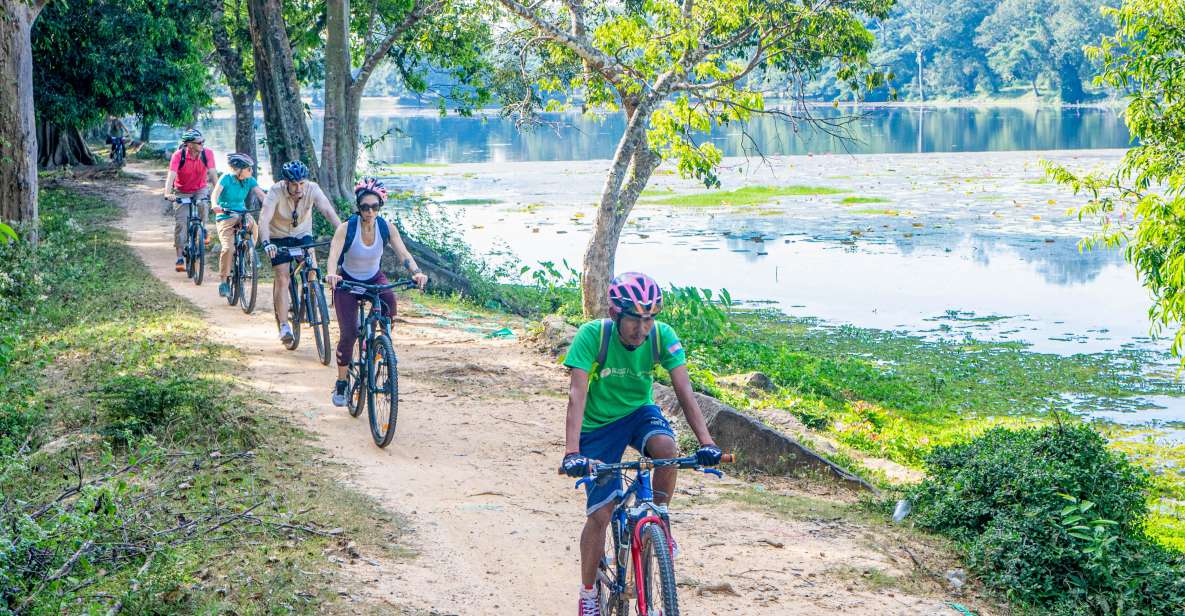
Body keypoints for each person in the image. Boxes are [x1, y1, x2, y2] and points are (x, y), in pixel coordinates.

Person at [559, 272, 722, 616]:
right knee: (601, 514)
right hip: (599, 424)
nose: (643, 329)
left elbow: (685, 392)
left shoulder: (662, 337)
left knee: (667, 450)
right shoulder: (593, 335)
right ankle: (588, 594)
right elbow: (577, 395)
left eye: (649, 319)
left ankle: (660, 517)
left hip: (639, 413)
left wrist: (707, 444)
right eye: (635, 319)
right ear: (617, 314)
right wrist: (572, 452)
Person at [324, 177, 428, 406]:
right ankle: (342, 382)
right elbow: (333, 256)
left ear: (380, 207)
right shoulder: (346, 228)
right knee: (349, 333)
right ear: (358, 208)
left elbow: (403, 254)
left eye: (374, 207)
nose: (369, 211)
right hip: (348, 282)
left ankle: (381, 349)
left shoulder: (385, 227)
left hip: (374, 278)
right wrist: (332, 275)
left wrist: (417, 272)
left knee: (389, 307)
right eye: (364, 207)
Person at [258, 160, 343, 345]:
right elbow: (264, 218)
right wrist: (266, 243)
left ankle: (312, 298)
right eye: (294, 184)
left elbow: (328, 211)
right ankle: (284, 326)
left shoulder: (312, 189)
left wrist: (342, 234)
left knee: (312, 268)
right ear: (286, 182)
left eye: (301, 183)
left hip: (303, 234)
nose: (299, 188)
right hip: (278, 237)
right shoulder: (275, 191)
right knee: (282, 277)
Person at [209, 153, 267, 298]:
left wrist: (271, 205)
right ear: (239, 170)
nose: (251, 171)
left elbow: (261, 195)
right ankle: (223, 281)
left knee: (253, 225)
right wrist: (215, 205)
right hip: (225, 215)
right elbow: (215, 194)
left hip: (241, 213)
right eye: (248, 169)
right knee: (228, 248)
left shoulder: (249, 180)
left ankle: (250, 253)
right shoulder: (226, 178)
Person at [163, 128, 218, 272]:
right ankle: (180, 257)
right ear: (189, 144)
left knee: (203, 204)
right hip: (182, 191)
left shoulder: (207, 154)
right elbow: (171, 176)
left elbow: (213, 175)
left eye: (203, 141)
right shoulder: (178, 156)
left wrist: (218, 193)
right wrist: (168, 193)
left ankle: (203, 230)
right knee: (181, 224)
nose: (202, 144)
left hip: (200, 188)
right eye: (199, 142)